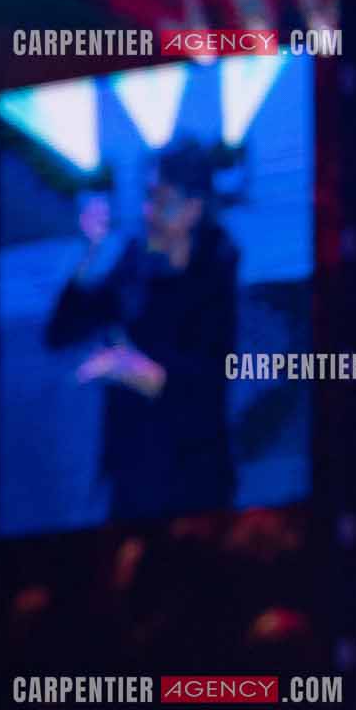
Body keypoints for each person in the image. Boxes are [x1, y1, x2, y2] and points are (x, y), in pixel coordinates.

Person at [44, 139, 240, 522]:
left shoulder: (216, 272)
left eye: (160, 200)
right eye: (147, 198)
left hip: (194, 483)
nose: (148, 211)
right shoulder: (135, 263)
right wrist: (89, 253)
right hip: (132, 478)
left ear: (193, 209)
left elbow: (208, 388)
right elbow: (60, 333)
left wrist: (137, 370)